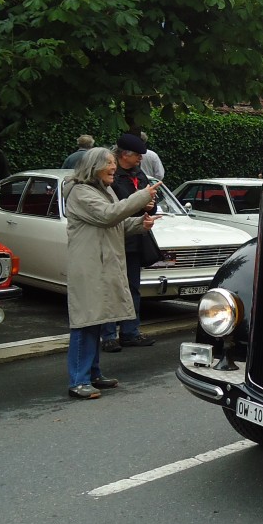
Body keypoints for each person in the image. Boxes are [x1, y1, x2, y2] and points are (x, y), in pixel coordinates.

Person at [62, 147, 159, 398]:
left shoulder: (102, 189)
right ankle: (78, 381)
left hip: (102, 264)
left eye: (114, 162)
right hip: (90, 266)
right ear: (94, 167)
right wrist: (139, 197)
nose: (113, 167)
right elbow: (108, 215)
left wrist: (140, 223)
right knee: (85, 323)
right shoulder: (81, 192)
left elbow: (115, 222)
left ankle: (92, 374)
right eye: (108, 163)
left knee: (97, 319)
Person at [99, 134, 159, 352]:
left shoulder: (138, 174)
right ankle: (107, 335)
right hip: (115, 238)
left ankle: (130, 332)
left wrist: (151, 205)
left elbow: (150, 200)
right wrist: (140, 202)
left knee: (132, 288)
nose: (140, 160)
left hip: (135, 239)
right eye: (138, 156)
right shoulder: (111, 177)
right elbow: (115, 208)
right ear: (125, 155)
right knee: (111, 288)